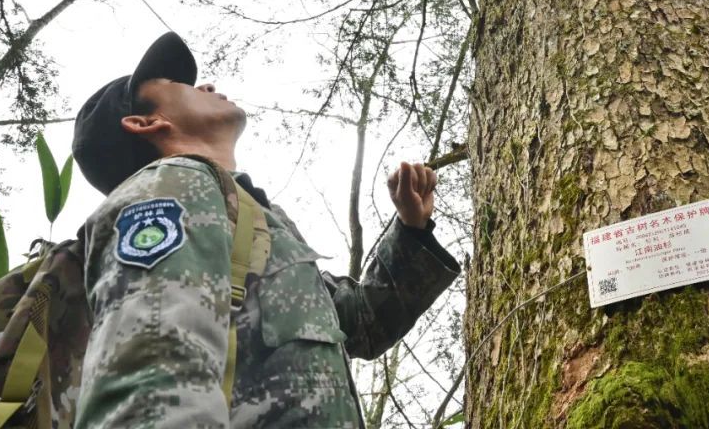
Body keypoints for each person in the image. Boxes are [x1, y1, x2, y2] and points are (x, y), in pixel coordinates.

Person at [70, 32, 460, 428]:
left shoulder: (251, 216)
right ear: (145, 122)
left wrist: (411, 228)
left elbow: (363, 323)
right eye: (176, 84)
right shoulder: (168, 187)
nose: (207, 86)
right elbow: (152, 372)